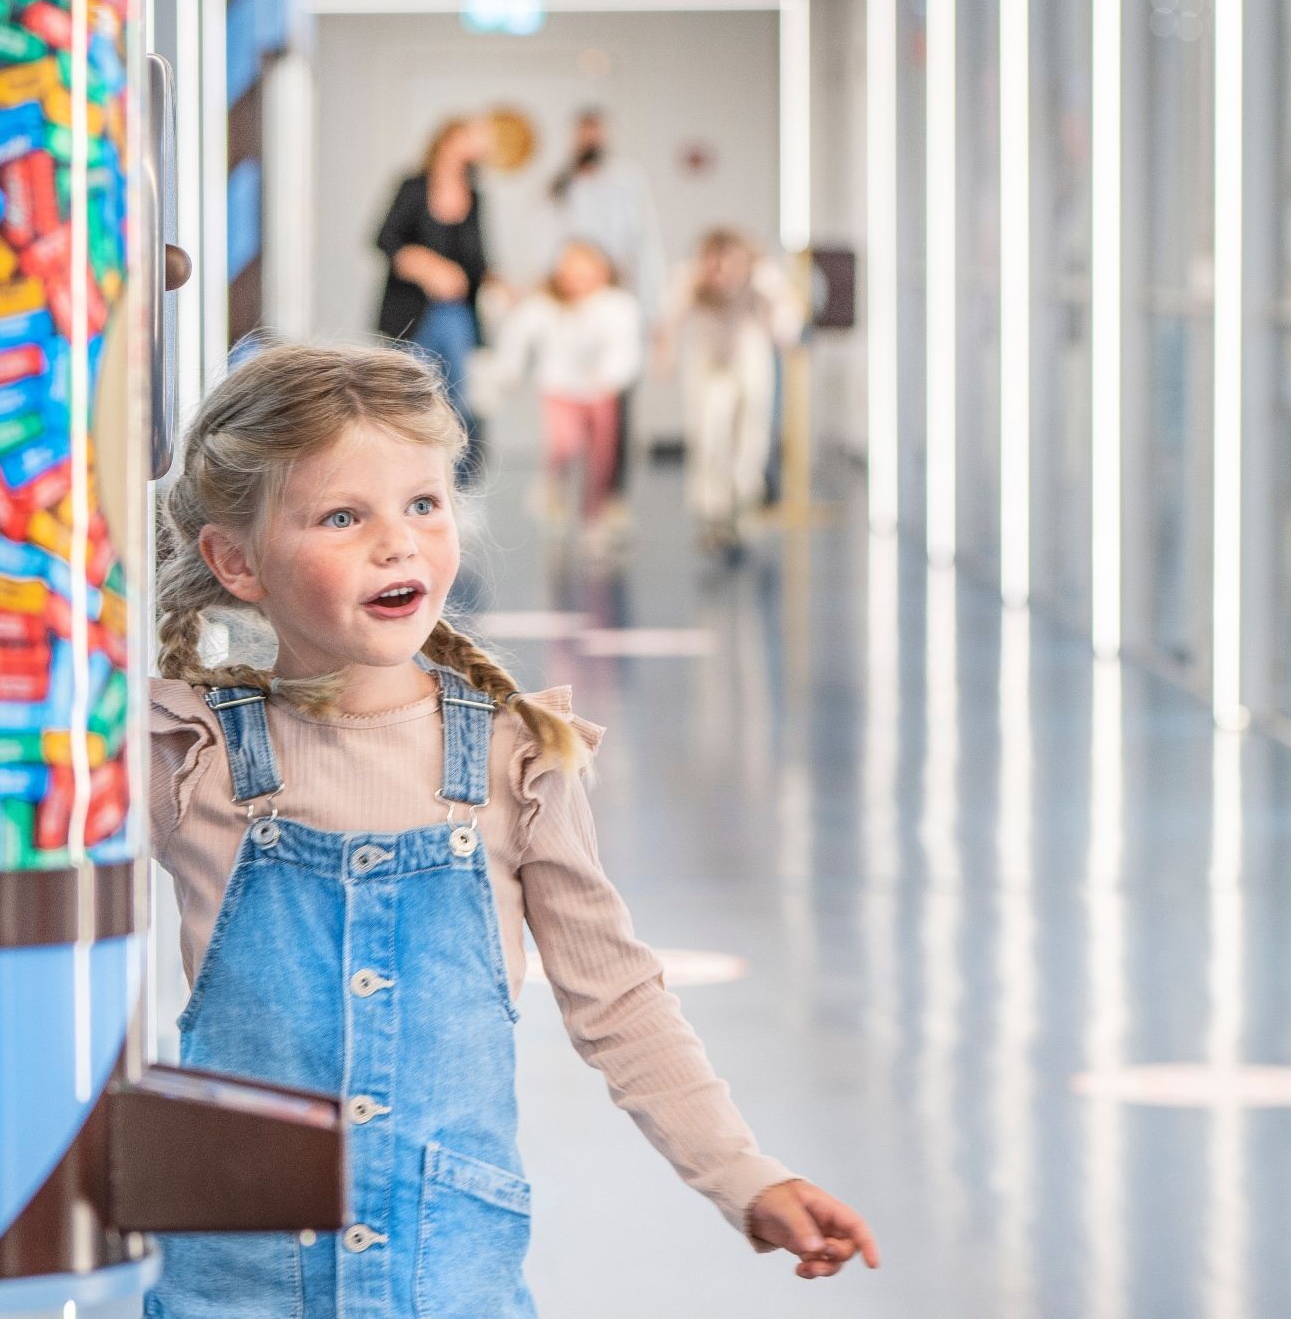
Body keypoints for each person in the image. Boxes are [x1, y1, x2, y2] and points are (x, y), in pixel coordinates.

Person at [144, 341, 879, 1318]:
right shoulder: (187, 752)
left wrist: (742, 1175)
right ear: (236, 561)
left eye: (423, 503)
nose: (397, 543)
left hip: (446, 1284)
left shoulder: (512, 754)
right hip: (231, 1284)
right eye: (340, 516)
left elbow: (615, 997)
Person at [655, 228, 801, 554]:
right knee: (708, 433)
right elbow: (667, 320)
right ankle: (712, 509)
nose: (722, 273)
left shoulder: (763, 279)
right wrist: (664, 356)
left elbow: (787, 326)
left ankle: (745, 498)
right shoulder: (688, 279)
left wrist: (772, 297)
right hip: (707, 360)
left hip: (750, 355)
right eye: (714, 264)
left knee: (751, 431)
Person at [547, 108, 666, 503]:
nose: (589, 139)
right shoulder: (560, 184)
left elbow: (645, 244)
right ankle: (564, 484)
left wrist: (654, 311)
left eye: (595, 131)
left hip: (618, 298)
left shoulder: (627, 180)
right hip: (572, 301)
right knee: (566, 394)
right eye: (583, 132)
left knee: (615, 398)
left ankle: (611, 494)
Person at [493, 240, 642, 546]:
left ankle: (594, 519)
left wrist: (612, 377)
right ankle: (553, 487)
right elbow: (517, 335)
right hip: (559, 388)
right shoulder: (543, 305)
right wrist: (508, 370)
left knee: (602, 458)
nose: (578, 280)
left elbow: (626, 347)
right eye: (571, 271)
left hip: (601, 391)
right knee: (565, 444)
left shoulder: (617, 305)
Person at [374, 117, 490, 478]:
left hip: (455, 311)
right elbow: (385, 239)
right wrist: (423, 264)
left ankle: (460, 483)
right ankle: (404, 477)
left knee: (460, 399)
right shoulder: (412, 187)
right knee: (407, 396)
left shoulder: (476, 196)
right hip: (411, 310)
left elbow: (479, 260)